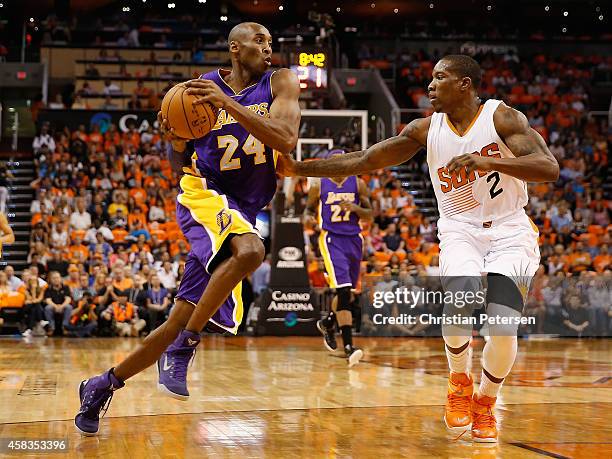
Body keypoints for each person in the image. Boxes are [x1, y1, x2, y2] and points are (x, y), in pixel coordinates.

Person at [279, 55, 559, 443]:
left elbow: (548, 168)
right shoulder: (424, 130)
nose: (430, 86)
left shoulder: (502, 118)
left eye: (439, 78)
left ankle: (487, 401)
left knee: (503, 326)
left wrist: (484, 161)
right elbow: (364, 159)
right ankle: (459, 381)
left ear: (465, 84)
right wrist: (299, 169)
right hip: (460, 228)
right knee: (458, 302)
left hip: (511, 228)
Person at [75, 22, 301, 436]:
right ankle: (187, 346)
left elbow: (286, 138)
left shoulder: (281, 81)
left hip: (244, 209)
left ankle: (102, 385)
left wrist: (227, 105)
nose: (269, 46)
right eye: (259, 40)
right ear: (235, 48)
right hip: (204, 194)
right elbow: (178, 161)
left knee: (178, 316)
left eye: (271, 40)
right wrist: (175, 137)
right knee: (251, 252)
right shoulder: (196, 90)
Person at [303, 150, 372, 366]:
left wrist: (356, 208)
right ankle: (349, 345)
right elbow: (306, 212)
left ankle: (328, 323)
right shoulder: (318, 185)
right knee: (342, 291)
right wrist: (309, 221)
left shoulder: (358, 184)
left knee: (348, 294)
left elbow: (370, 214)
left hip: (354, 239)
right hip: (331, 239)